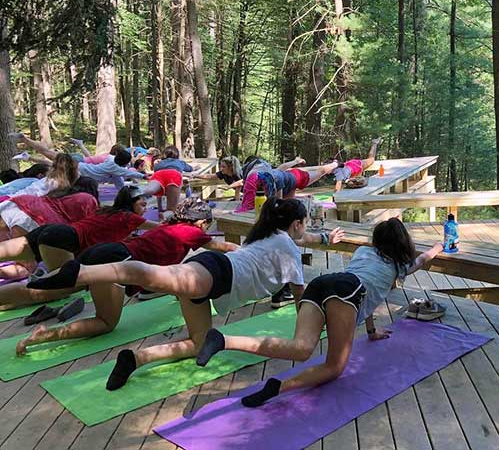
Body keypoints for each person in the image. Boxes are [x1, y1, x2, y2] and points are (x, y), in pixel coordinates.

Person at [27, 198, 342, 390]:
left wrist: (326, 236)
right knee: (147, 274)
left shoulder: (271, 234)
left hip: (211, 278)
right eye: (303, 226)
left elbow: (303, 238)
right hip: (213, 274)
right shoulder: (286, 247)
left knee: (198, 342)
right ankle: (80, 273)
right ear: (296, 223)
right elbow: (303, 298)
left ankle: (135, 359)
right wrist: (316, 327)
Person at [190, 217, 444, 407]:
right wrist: (436, 248)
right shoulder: (399, 265)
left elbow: (370, 290)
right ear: (402, 244)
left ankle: (223, 339)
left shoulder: (364, 251)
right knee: (335, 367)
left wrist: (371, 329)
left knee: (300, 348)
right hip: (347, 292)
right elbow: (419, 261)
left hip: (324, 283)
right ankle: (280, 387)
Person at [17, 198, 234, 356]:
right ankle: (45, 335)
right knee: (105, 322)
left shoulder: (169, 227)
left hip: (106, 251)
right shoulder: (193, 232)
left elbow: (169, 272)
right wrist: (249, 252)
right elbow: (222, 246)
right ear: (200, 223)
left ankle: (39, 285)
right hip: (117, 262)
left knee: (48, 287)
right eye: (206, 225)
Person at [0, 186, 157, 307]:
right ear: (132, 204)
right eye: (142, 205)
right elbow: (160, 228)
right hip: (63, 239)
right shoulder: (130, 218)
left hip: (51, 231)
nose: (145, 209)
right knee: (51, 291)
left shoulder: (107, 211)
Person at [0, 177, 99, 241]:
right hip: (40, 219)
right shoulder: (88, 199)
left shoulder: (61, 190)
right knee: (23, 262)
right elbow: (87, 227)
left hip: (21, 202)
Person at [236, 160, 339, 213]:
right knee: (288, 209)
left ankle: (335, 164)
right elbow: (281, 167)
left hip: (297, 177)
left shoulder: (275, 180)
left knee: (320, 171)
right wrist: (295, 161)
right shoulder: (266, 175)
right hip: (288, 178)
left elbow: (278, 204)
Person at [0, 153, 78, 201]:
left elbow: (35, 193)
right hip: (19, 199)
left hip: (17, 199)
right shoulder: (65, 182)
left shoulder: (50, 181)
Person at [77, 150, 146, 189]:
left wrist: (122, 190)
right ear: (123, 162)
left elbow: (119, 182)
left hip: (82, 167)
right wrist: (143, 176)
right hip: (80, 170)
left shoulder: (111, 158)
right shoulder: (115, 168)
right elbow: (129, 173)